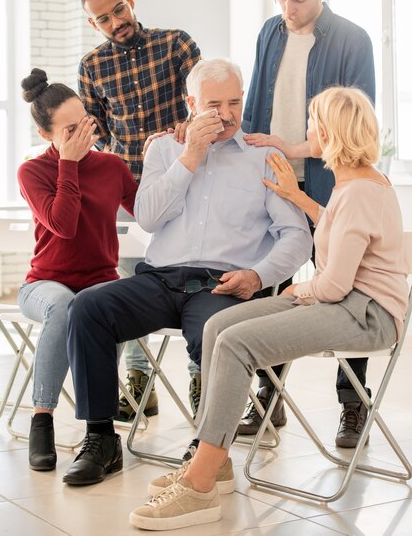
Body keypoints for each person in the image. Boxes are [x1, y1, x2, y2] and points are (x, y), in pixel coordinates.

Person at [129, 85, 409, 531]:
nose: (307, 129)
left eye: (314, 122)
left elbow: (334, 285)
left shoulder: (357, 191)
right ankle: (214, 460)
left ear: (332, 132)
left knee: (238, 343)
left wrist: (292, 293)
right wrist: (298, 200)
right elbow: (340, 227)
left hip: (366, 313)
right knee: (219, 325)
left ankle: (202, 484)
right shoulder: (355, 181)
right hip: (348, 299)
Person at [62, 58, 312, 486]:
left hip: (222, 286)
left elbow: (296, 236)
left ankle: (207, 448)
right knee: (88, 308)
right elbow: (148, 218)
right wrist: (191, 156)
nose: (229, 113)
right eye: (215, 104)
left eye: (236, 101)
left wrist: (258, 276)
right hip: (158, 279)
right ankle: (101, 438)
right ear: (191, 104)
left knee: (219, 334)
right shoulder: (164, 149)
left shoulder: (263, 155)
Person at [239, 0, 376, 446]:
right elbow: (255, 107)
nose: (288, 11)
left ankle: (352, 406)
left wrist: (294, 146)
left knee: (346, 293)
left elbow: (355, 125)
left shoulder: (352, 39)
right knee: (268, 289)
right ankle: (267, 396)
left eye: (298, 0)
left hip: (328, 184)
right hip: (274, 182)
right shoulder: (269, 33)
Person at [79, 0, 202, 421]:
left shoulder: (175, 44)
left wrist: (192, 120)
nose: (115, 22)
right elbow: (95, 134)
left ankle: (200, 374)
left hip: (185, 184)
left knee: (193, 279)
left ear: (129, 2)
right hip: (128, 195)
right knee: (132, 287)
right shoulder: (92, 66)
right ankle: (140, 381)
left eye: (117, 10)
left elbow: (204, 98)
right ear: (94, 25)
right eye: (103, 19)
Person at [17, 68, 137, 471]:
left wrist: (169, 157)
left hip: (101, 282)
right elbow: (63, 225)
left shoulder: (112, 166)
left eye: (84, 121)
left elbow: (152, 213)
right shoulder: (32, 172)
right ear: (45, 135)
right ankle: (42, 420)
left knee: (99, 305)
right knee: (68, 305)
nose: (83, 134)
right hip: (44, 285)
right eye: (69, 130)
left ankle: (98, 434)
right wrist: (67, 163)